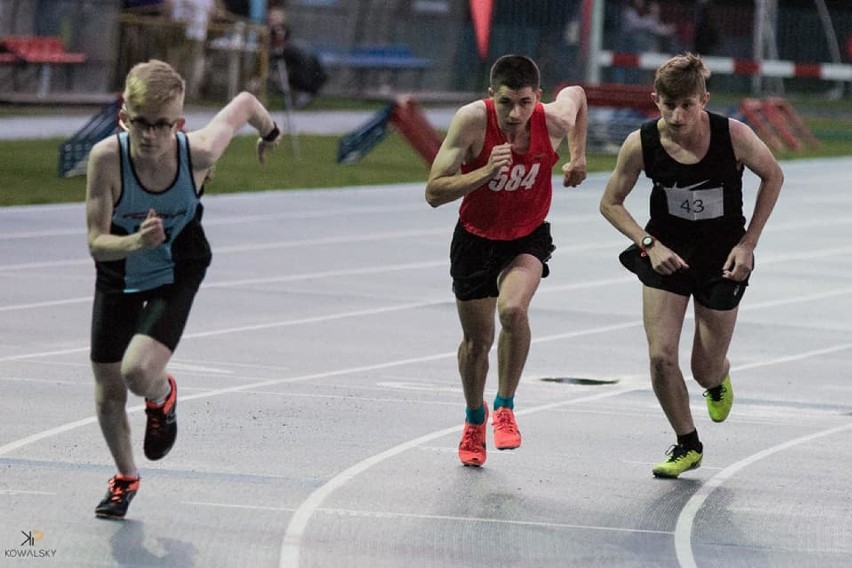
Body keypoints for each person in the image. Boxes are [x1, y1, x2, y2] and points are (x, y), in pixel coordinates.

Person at [86, 59, 281, 518]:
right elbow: (96, 244)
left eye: (162, 125)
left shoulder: (201, 152)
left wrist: (269, 133)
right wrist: (135, 241)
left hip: (178, 268)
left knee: (137, 372)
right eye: (141, 125)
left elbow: (246, 104)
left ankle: (161, 396)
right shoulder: (106, 159)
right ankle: (125, 477)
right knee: (108, 387)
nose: (151, 136)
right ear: (123, 117)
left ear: (180, 122)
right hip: (119, 269)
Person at [599, 53, 783, 478]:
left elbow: (773, 176)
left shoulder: (732, 135)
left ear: (704, 99)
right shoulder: (640, 143)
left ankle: (718, 380)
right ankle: (687, 443)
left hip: (722, 257)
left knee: (704, 368)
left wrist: (748, 243)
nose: (678, 116)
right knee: (662, 356)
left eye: (687, 105)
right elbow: (610, 202)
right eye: (668, 105)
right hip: (668, 254)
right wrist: (648, 243)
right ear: (655, 100)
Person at [425, 54, 588, 467]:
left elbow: (578, 95)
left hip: (526, 236)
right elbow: (433, 192)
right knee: (477, 344)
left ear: (537, 96)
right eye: (505, 103)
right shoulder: (471, 122)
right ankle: (474, 419)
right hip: (475, 240)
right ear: (490, 97)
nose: (515, 114)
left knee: (513, 309)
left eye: (524, 102)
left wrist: (578, 156)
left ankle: (505, 405)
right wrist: (483, 173)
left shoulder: (552, 121)